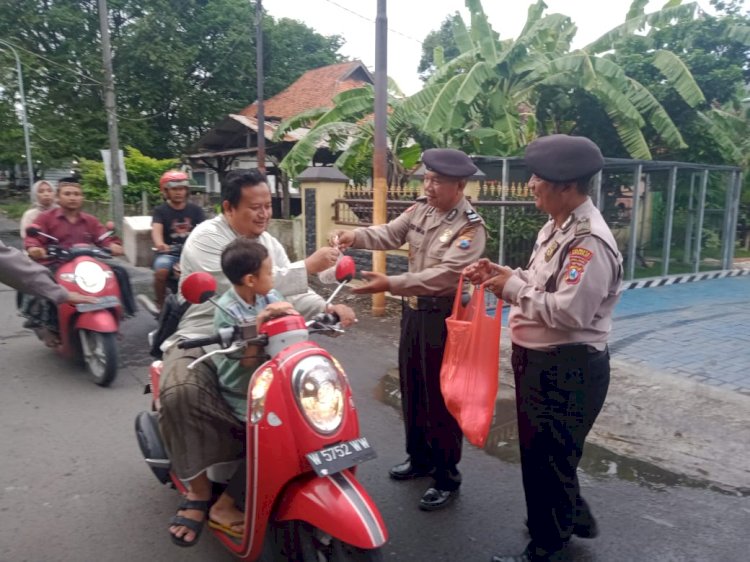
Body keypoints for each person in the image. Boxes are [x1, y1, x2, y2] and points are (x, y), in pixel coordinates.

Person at [159, 168, 356, 547]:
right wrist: (307, 267)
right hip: (205, 336)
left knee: (307, 396)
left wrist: (329, 307)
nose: (264, 214)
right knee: (180, 392)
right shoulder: (206, 237)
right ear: (229, 207)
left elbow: (282, 293)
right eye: (255, 207)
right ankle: (199, 494)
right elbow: (233, 287)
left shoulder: (267, 242)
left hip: (269, 338)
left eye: (268, 206)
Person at [463, 134, 623, 562]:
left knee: (546, 457)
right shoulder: (557, 226)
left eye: (539, 177)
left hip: (565, 368)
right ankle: (569, 518)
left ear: (567, 186)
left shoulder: (588, 243)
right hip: (541, 362)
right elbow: (539, 284)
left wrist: (511, 289)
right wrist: (503, 273)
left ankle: (547, 545)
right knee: (547, 453)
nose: (531, 183)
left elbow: (570, 313)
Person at [330, 148, 487, 512]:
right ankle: (419, 459)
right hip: (414, 314)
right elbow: (389, 233)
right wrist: (355, 236)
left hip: (444, 318)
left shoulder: (470, 227)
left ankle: (447, 476)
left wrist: (392, 282)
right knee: (412, 387)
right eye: (426, 179)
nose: (428, 186)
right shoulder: (421, 209)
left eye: (437, 181)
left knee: (441, 399)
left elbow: (447, 275)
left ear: (460, 185)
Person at [151, 170, 205, 309]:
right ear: (166, 191)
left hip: (192, 252)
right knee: (161, 272)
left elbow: (205, 230)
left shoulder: (196, 210)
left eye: (181, 189)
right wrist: (160, 244)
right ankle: (160, 304)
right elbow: (156, 230)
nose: (178, 192)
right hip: (170, 254)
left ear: (187, 190)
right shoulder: (160, 211)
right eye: (174, 189)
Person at [1, 240, 96, 305]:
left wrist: (110, 245)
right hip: (54, 266)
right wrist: (35, 248)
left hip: (80, 268)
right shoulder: (44, 218)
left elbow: (103, 237)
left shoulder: (90, 220)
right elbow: (32, 241)